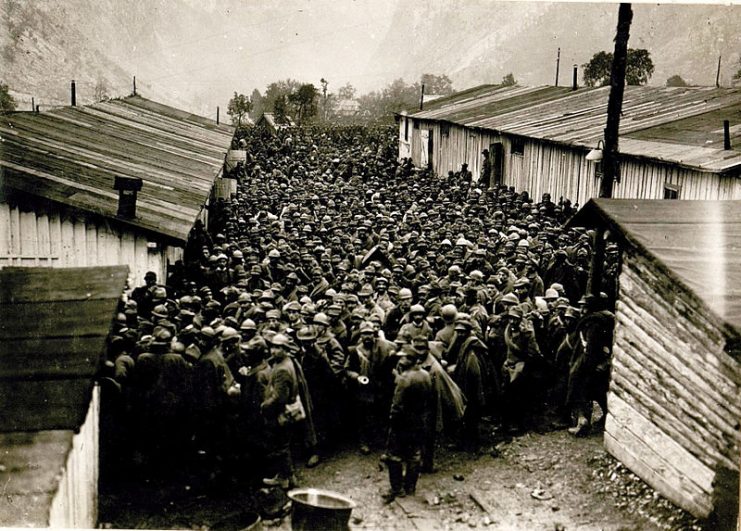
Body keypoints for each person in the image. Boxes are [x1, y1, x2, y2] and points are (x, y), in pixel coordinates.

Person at [382, 346, 432, 502]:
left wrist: (392, 422)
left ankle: (397, 489)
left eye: (403, 358)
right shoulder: (425, 375)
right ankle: (410, 486)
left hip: (402, 423)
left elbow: (396, 406)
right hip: (419, 421)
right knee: (414, 455)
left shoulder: (404, 379)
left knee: (394, 456)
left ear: (410, 360)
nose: (401, 360)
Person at [261, 333, 301, 489]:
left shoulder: (282, 368)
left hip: (281, 413)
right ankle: (288, 477)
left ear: (285, 349)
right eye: (272, 346)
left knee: (280, 446)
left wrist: (264, 406)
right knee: (283, 445)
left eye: (278, 347)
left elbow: (279, 397)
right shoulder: (286, 362)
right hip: (288, 410)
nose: (273, 350)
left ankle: (284, 479)